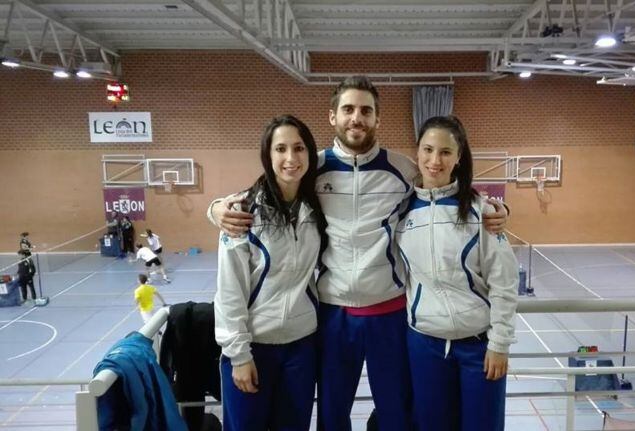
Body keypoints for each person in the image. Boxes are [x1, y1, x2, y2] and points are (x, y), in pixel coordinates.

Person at [209, 76, 509, 430]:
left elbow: (440, 185)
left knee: (397, 415)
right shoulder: (309, 168)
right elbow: (267, 191)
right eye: (348, 109)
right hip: (333, 317)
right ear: (332, 116)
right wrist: (215, 209)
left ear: (377, 119)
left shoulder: (402, 170)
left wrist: (493, 208)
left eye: (366, 110)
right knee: (333, 417)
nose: (357, 118)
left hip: (390, 314)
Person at [396, 116, 518, 431]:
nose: (435, 161)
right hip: (425, 345)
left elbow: (504, 282)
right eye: (428, 149)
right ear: (418, 151)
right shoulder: (400, 210)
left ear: (459, 157)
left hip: (479, 348)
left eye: (445, 152)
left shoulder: (482, 212)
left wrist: (500, 343)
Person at [215, 115, 326, 431]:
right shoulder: (242, 212)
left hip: (301, 347)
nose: (291, 158)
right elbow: (229, 290)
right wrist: (238, 355)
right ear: (268, 155)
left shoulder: (316, 208)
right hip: (252, 350)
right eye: (281, 149)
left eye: (299, 148)